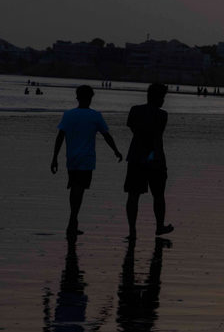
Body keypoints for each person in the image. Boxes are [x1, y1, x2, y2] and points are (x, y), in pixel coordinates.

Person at [51, 85, 123, 238]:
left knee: (74, 188)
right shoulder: (95, 116)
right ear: (91, 98)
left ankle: (73, 220)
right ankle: (72, 220)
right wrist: (116, 150)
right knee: (79, 189)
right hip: (86, 159)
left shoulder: (68, 115)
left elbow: (60, 137)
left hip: (72, 158)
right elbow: (106, 136)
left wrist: (55, 158)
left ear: (77, 97)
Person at [124, 83, 173, 239]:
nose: (163, 101)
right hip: (155, 158)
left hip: (136, 157)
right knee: (158, 195)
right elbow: (156, 133)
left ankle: (132, 230)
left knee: (133, 195)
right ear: (157, 97)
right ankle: (159, 226)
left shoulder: (135, 110)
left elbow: (134, 128)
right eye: (163, 97)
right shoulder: (162, 115)